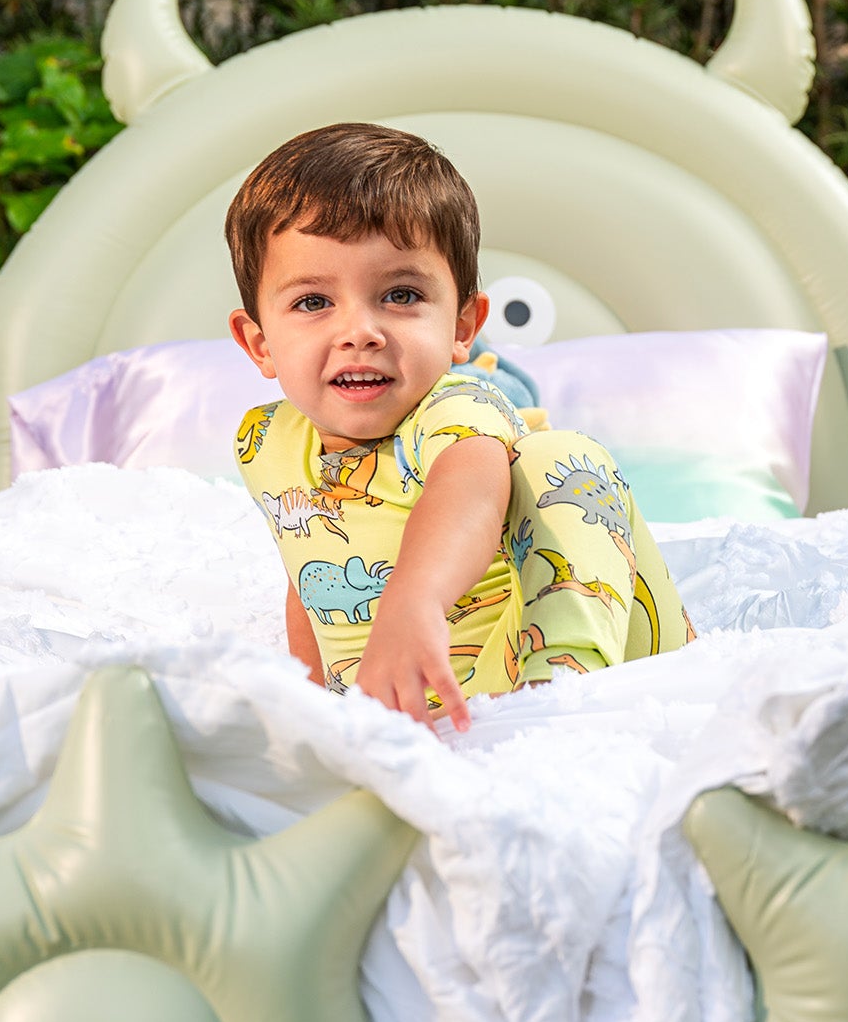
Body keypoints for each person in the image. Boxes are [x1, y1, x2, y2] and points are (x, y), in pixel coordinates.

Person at [227, 122, 692, 731]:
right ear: (259, 343)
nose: (360, 331)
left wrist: (412, 600)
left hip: (573, 665)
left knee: (559, 457)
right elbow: (308, 577)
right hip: (427, 705)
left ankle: (562, 703)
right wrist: (316, 711)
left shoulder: (455, 408)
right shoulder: (269, 444)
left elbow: (467, 497)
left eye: (399, 294)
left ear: (463, 326)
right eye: (313, 302)